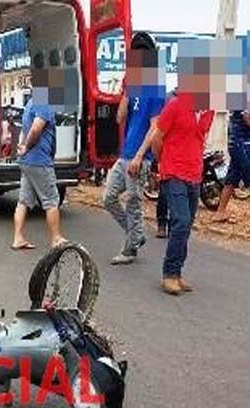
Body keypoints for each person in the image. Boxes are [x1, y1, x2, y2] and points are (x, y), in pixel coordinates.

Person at [102, 32, 165, 265]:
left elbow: (155, 127)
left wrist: (140, 155)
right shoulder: (134, 84)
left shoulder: (156, 86)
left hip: (140, 157)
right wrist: (126, 93)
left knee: (133, 202)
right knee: (108, 198)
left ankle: (130, 249)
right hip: (125, 153)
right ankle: (136, 234)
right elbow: (119, 118)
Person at [148, 89, 213, 295]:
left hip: (194, 173)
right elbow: (157, 137)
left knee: (186, 226)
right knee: (181, 221)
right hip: (173, 172)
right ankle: (169, 274)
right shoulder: (175, 105)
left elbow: (201, 139)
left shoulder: (209, 111)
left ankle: (177, 273)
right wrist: (162, 162)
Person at [11, 91, 67, 251]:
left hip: (27, 161)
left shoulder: (30, 103)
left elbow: (24, 129)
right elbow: (36, 129)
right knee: (51, 200)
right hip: (39, 161)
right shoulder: (44, 103)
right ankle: (56, 238)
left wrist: (22, 147)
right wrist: (27, 147)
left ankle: (18, 237)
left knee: (24, 201)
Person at [213, 110, 250, 223]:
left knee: (233, 177)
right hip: (244, 143)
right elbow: (249, 119)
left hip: (234, 142)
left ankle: (220, 212)